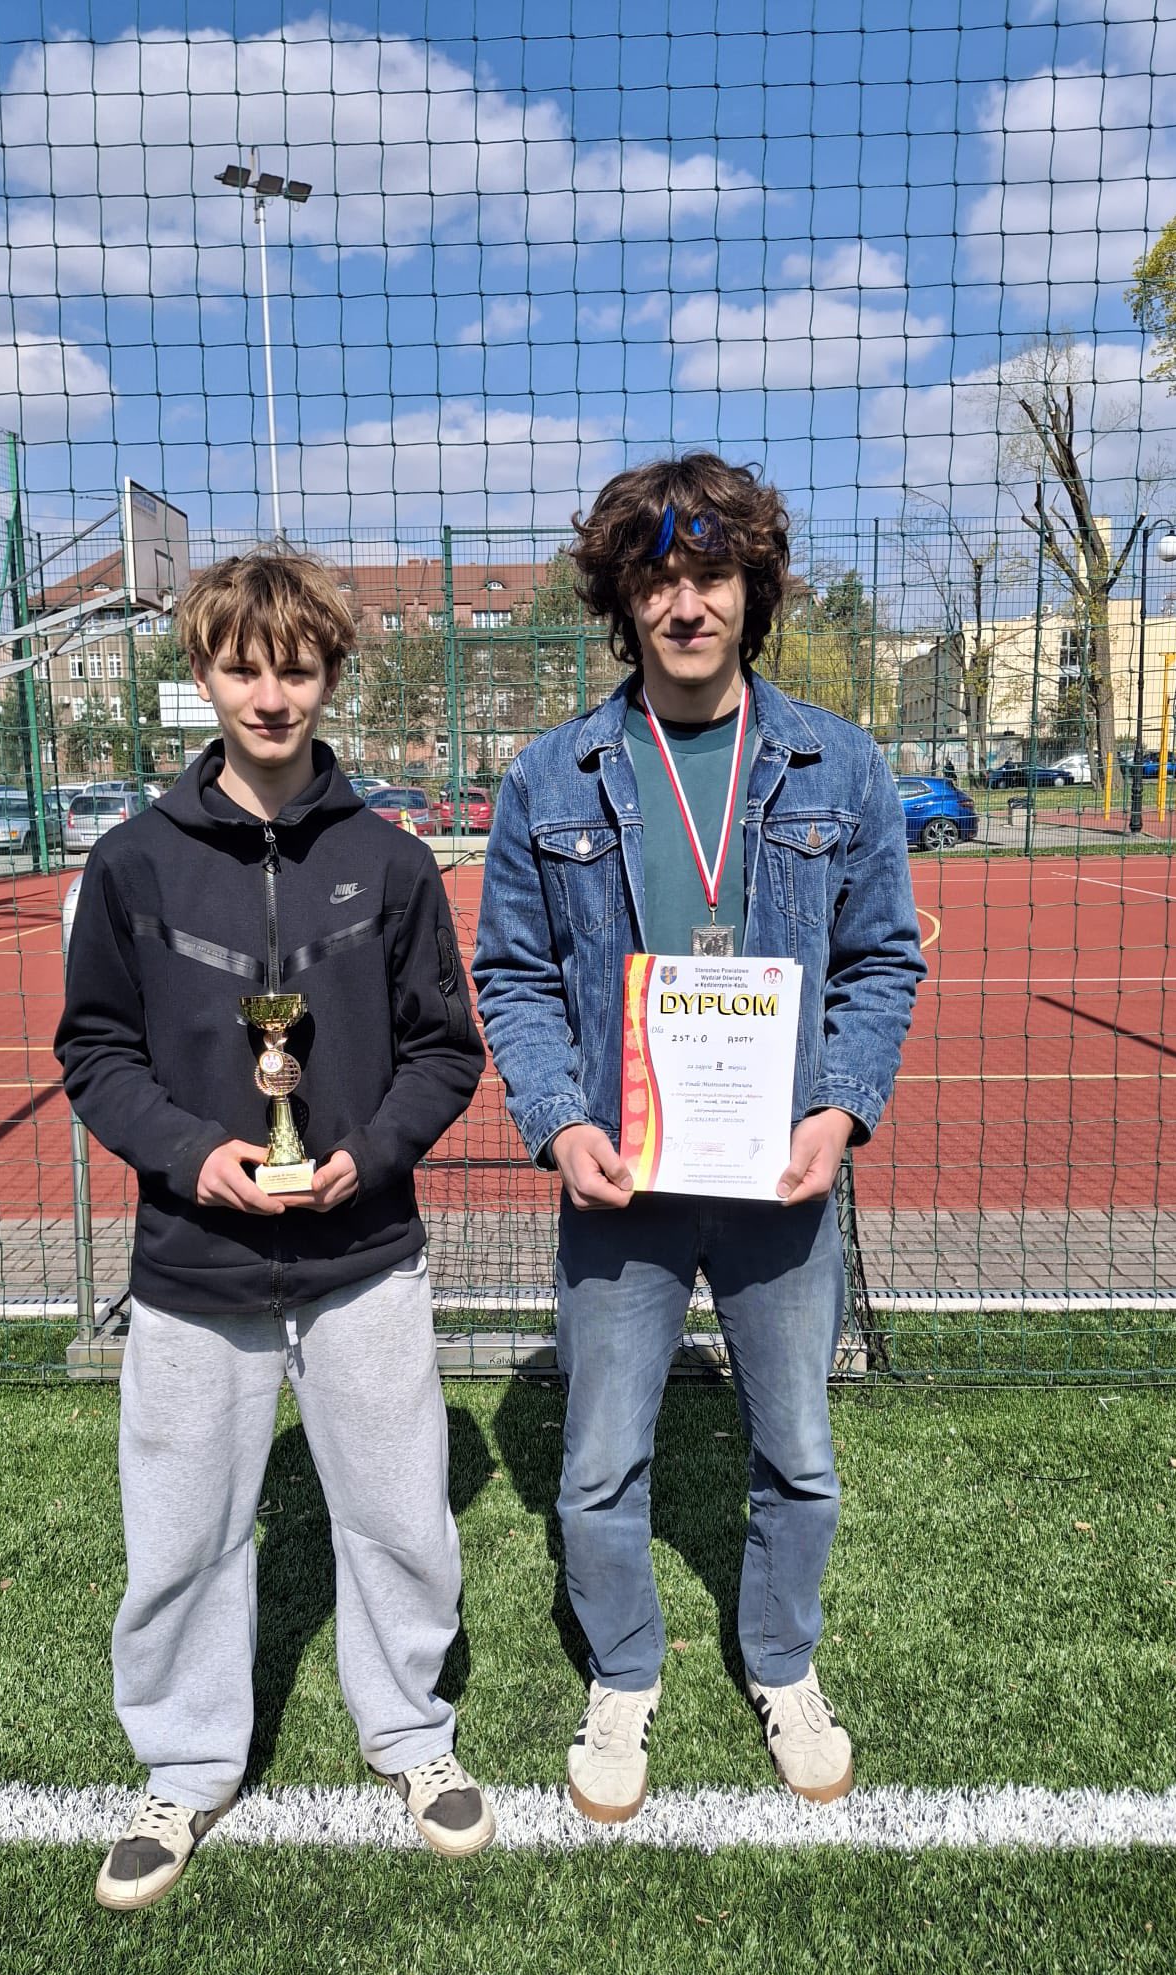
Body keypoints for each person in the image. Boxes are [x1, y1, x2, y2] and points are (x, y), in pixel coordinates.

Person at [473, 454, 925, 1823]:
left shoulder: (841, 764)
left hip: (782, 1179)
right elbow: (513, 976)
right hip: (622, 1181)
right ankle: (623, 1672)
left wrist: (839, 1109)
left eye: (710, 574)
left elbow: (881, 961)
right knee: (598, 1465)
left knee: (801, 1456)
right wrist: (558, 1123)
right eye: (658, 577)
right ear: (622, 598)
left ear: (752, 588)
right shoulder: (552, 775)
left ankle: (782, 1662)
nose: (685, 603)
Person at [56, 548, 492, 1911]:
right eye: (242, 667)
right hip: (195, 1264)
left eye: (295, 668)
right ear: (202, 673)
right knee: (181, 1531)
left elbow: (445, 1049)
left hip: (363, 1256)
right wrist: (196, 1156)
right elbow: (95, 1052)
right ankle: (185, 1767)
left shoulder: (392, 862)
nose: (269, 693)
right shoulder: (131, 864)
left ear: (330, 675)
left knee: (397, 1513)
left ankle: (410, 1732)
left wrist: (367, 1153)